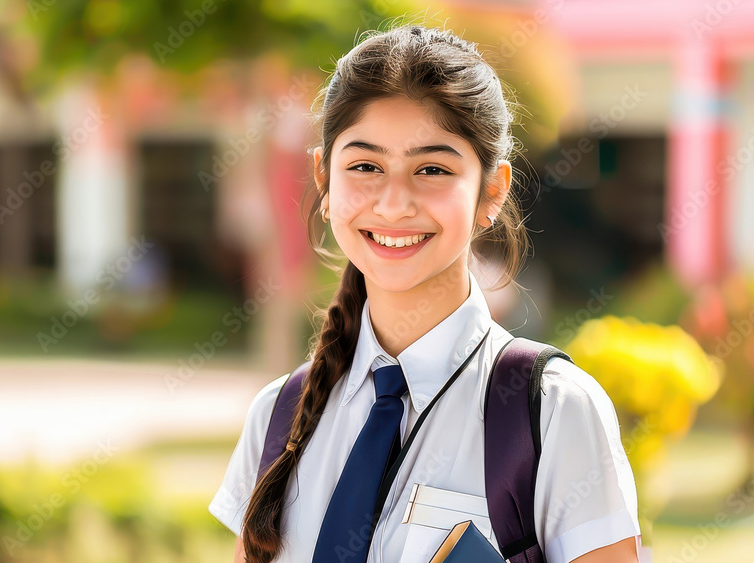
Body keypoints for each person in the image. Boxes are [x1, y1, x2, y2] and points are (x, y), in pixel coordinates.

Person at [209, 23, 642, 563]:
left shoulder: (552, 412)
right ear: (324, 181)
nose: (394, 204)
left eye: (432, 169)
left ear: (492, 190)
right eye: (365, 166)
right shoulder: (278, 417)